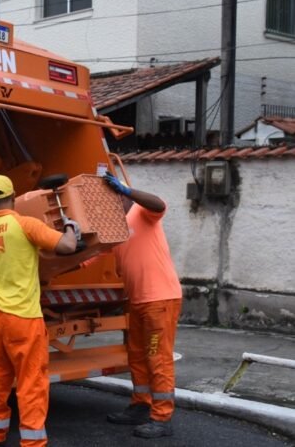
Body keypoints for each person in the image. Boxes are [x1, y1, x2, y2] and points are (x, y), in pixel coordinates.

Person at [0, 175, 77, 446]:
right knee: (31, 382)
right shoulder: (26, 225)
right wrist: (70, 227)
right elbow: (68, 246)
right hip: (24, 318)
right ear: (14, 196)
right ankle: (32, 442)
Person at [103, 172, 183, 439]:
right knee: (137, 355)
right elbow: (95, 254)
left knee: (157, 357)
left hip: (159, 299)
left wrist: (127, 190)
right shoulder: (116, 227)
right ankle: (141, 404)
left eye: (115, 196)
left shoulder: (143, 211)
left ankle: (162, 417)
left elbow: (159, 204)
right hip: (137, 300)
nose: (112, 203)